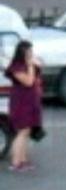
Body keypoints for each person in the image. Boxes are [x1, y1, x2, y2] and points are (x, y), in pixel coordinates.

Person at [5, 40, 43, 173]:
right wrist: (31, 66)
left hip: (31, 100)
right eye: (28, 52)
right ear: (22, 53)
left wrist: (35, 64)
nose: (31, 54)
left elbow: (40, 68)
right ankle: (16, 162)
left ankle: (23, 159)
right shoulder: (16, 67)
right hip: (21, 101)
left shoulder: (29, 63)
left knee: (27, 131)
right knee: (22, 131)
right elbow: (28, 81)